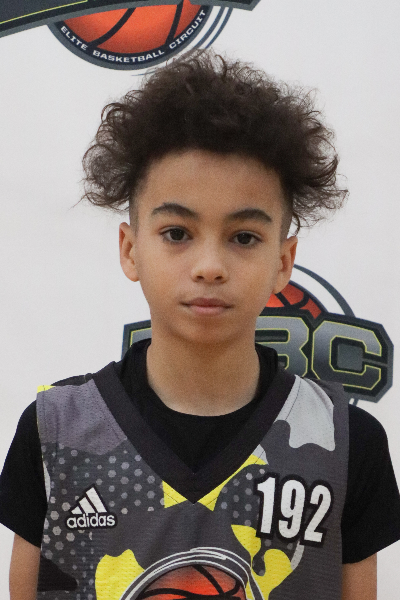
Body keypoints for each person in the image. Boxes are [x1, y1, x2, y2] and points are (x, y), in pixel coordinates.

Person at [1, 50, 400, 600]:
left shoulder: (348, 445)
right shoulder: (55, 434)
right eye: (177, 233)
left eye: (244, 237)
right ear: (130, 249)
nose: (209, 265)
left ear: (283, 261)